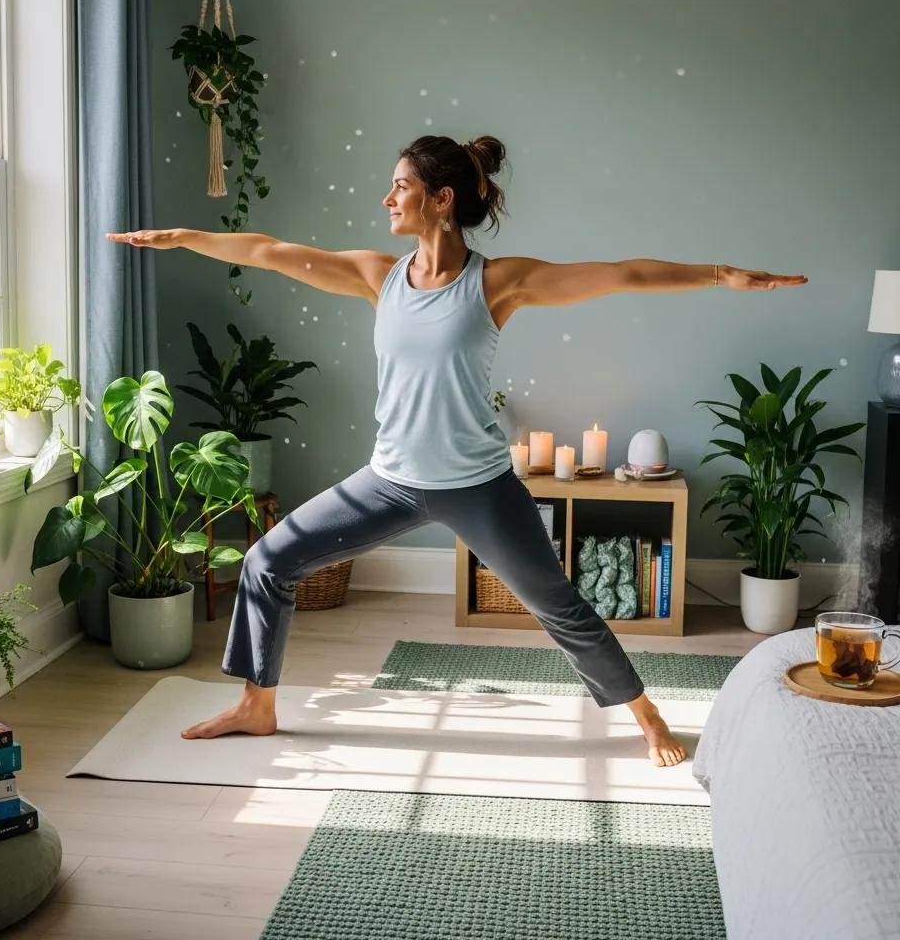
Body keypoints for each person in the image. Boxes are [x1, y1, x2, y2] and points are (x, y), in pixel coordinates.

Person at [107, 134, 807, 768]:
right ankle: (257, 706)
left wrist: (722, 273)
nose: (386, 198)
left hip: (478, 486)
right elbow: (268, 251)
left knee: (559, 606)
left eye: (400, 187)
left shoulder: (497, 282)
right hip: (390, 480)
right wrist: (181, 236)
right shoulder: (375, 276)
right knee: (268, 561)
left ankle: (645, 713)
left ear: (441, 201)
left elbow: (622, 274)